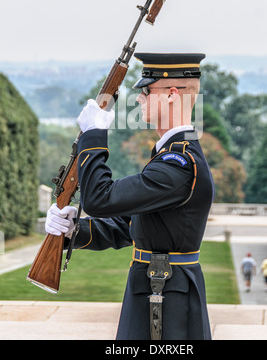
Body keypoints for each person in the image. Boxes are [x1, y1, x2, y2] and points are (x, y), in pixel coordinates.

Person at [45, 52, 215, 340]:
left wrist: (94, 136)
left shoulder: (179, 165)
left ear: (172, 95)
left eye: (146, 91)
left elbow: (100, 200)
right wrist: (74, 229)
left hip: (167, 302)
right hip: (153, 291)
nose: (140, 99)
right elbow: (130, 226)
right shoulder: (169, 156)